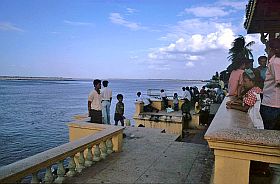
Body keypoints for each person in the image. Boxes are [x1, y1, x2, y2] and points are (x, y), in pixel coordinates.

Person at [260, 38, 280, 130]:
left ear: (270, 49)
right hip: (272, 104)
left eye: (266, 49)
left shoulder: (275, 62)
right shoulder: (274, 62)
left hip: (272, 105)